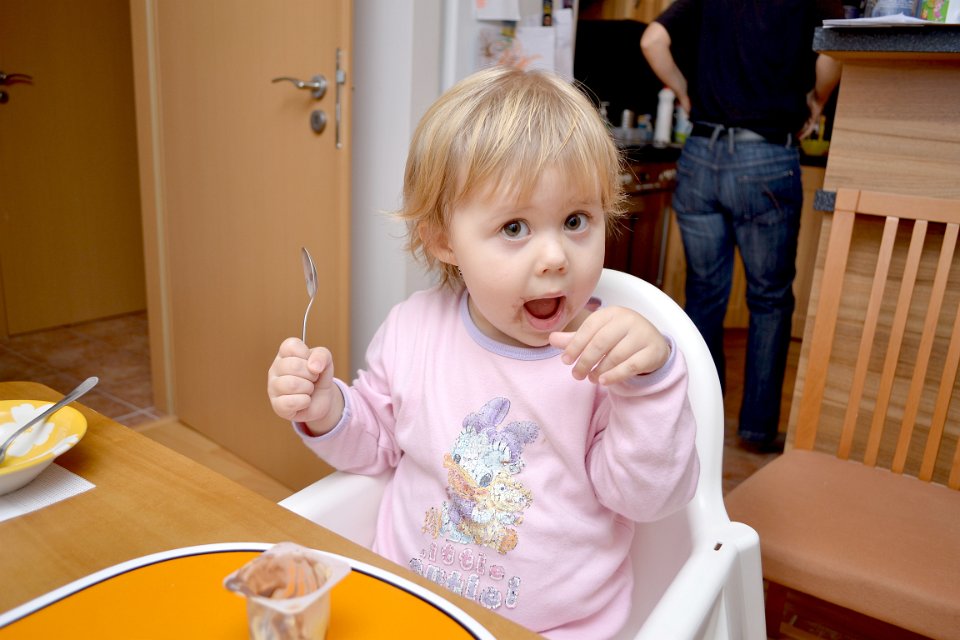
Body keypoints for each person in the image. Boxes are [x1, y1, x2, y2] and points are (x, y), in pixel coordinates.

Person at [267, 65, 699, 639]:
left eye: (576, 220)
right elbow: (376, 446)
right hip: (409, 607)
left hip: (558, 629)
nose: (555, 258)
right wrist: (327, 409)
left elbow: (648, 500)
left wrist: (649, 385)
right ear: (444, 240)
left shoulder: (608, 361)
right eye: (515, 227)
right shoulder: (413, 330)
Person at [640, 0, 843, 453]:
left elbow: (652, 40)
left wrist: (685, 93)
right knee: (769, 301)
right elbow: (832, 51)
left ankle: (699, 421)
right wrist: (818, 98)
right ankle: (756, 430)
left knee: (704, 295)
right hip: (766, 157)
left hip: (700, 154)